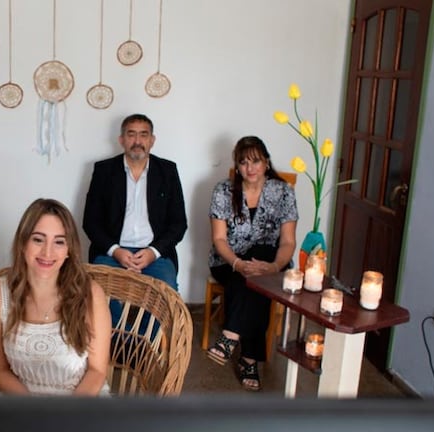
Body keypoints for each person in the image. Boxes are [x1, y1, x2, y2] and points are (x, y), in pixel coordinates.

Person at [0, 198, 111, 396]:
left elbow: (97, 371)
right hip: (20, 403)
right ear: (23, 243)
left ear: (69, 250)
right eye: (38, 239)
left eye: (59, 242)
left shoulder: (91, 294)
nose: (47, 252)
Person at [206, 136, 298, 392]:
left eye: (256, 161)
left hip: (271, 264)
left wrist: (275, 267)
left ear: (266, 162)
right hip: (228, 263)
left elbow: (288, 242)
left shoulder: (283, 192)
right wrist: (237, 263)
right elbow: (219, 239)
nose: (250, 168)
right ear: (237, 166)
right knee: (254, 282)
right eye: (243, 162)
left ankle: (230, 337)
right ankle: (249, 361)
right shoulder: (223, 191)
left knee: (261, 257)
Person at [82, 113, 187, 329]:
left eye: (143, 135)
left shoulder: (167, 171)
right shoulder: (104, 170)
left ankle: (145, 345)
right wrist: (116, 251)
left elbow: (179, 224)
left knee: (166, 295)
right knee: (97, 291)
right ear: (121, 139)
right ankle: (119, 341)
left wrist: (153, 252)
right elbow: (90, 222)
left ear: (152, 140)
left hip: (154, 254)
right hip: (113, 253)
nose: (137, 141)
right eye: (131, 134)